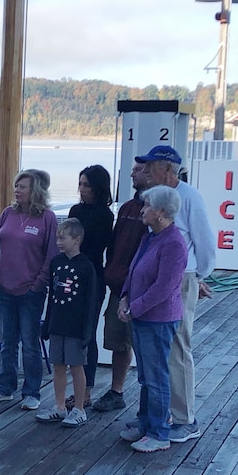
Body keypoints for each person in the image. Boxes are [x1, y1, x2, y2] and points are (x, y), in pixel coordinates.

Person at [133, 145, 215, 443]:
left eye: (151, 167)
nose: (146, 172)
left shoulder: (190, 197)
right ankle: (157, 414)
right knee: (155, 352)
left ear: (169, 170)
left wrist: (198, 276)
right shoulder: (153, 199)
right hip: (159, 277)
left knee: (178, 347)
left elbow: (205, 241)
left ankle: (184, 417)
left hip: (181, 278)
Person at [118, 185, 188, 452]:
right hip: (140, 317)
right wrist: (124, 298)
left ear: (160, 212)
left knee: (157, 377)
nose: (143, 210)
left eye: (147, 206)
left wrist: (134, 308)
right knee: (146, 377)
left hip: (158, 320)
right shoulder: (149, 237)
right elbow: (133, 270)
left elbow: (164, 287)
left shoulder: (173, 243)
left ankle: (159, 433)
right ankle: (146, 424)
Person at [0, 169, 59, 410]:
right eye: (16, 186)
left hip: (31, 292)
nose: (17, 190)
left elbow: (51, 255)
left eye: (23, 186)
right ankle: (4, 387)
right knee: (8, 341)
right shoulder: (8, 213)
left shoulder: (47, 218)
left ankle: (32, 392)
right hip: (4, 287)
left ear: (34, 190)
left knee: (30, 342)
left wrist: (39, 283)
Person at [92, 163, 150, 411]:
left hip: (143, 289)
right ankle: (117, 391)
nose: (131, 173)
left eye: (137, 170)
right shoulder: (126, 208)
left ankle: (151, 402)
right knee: (118, 341)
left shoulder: (156, 209)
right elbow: (114, 244)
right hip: (118, 284)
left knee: (146, 346)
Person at [36, 218, 97, 427]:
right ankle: (59, 406)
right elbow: (52, 294)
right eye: (57, 238)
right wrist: (47, 323)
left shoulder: (86, 267)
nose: (58, 242)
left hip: (76, 326)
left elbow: (90, 301)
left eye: (63, 238)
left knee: (77, 366)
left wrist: (88, 331)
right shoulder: (56, 263)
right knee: (58, 365)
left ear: (77, 239)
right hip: (57, 323)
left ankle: (79, 408)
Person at [67, 165, 113, 410]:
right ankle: (75, 389)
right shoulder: (75, 210)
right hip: (72, 273)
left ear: (98, 188)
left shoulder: (105, 215)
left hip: (93, 276)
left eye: (87, 185)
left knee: (87, 334)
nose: (82, 189)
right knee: (71, 333)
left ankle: (86, 391)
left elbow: (95, 247)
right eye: (81, 184)